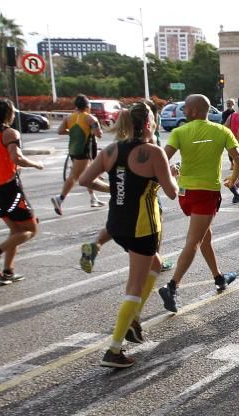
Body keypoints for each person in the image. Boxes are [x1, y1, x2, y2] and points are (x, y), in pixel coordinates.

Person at [78, 102, 179, 367]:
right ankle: (114, 349)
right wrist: (170, 174)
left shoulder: (111, 150)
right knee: (135, 284)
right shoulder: (153, 152)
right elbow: (172, 192)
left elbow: (84, 180)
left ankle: (133, 319)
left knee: (155, 265)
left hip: (116, 224)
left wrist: (112, 189)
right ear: (148, 124)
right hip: (142, 227)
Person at [158, 94, 239, 313]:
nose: (183, 109)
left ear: (195, 111)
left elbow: (162, 159)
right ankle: (172, 286)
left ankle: (219, 278)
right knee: (194, 241)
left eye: (186, 106)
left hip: (185, 193)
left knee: (206, 237)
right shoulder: (221, 131)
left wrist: (169, 175)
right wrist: (233, 179)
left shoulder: (179, 132)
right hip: (206, 192)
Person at [0, 98, 45, 285]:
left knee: (15, 230)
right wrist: (37, 164)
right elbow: (18, 158)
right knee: (31, 229)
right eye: (13, 111)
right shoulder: (9, 133)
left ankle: (8, 271)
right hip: (9, 189)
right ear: (8, 113)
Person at [52, 95, 105, 214]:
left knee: (88, 174)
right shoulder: (90, 118)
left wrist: (72, 132)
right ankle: (60, 199)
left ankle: (93, 198)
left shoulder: (69, 118)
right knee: (74, 176)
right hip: (84, 152)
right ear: (88, 106)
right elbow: (99, 134)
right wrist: (92, 131)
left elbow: (60, 131)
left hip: (73, 150)